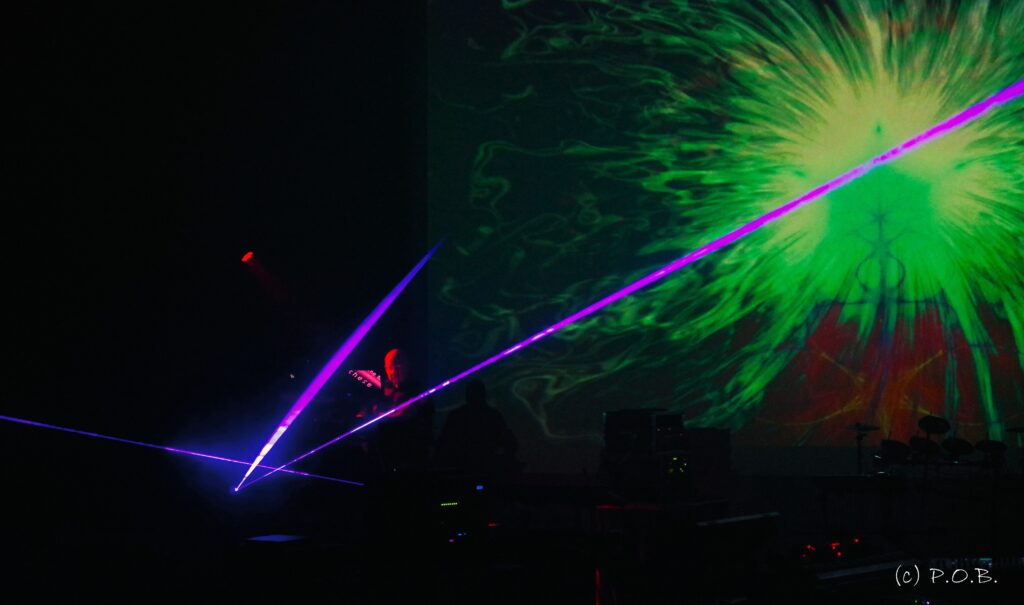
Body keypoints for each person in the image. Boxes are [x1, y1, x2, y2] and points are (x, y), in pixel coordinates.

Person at [435, 379, 518, 476]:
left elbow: (443, 444)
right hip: (484, 469)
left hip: (463, 469)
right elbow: (509, 443)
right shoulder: (493, 416)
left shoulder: (457, 416)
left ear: (467, 395)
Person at [375, 348, 434, 472]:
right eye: (389, 367)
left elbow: (405, 415)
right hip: (387, 455)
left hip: (412, 454)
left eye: (397, 367)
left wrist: (378, 416)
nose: (393, 372)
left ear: (407, 366)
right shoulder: (382, 389)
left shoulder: (418, 390)